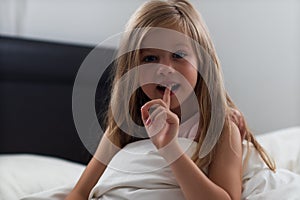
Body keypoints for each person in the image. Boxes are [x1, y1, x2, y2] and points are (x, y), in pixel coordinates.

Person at [66, 0, 275, 199]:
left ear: (202, 62)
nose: (165, 69)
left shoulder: (220, 129)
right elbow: (79, 193)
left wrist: (169, 148)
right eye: (150, 58)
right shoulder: (123, 128)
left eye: (178, 55)